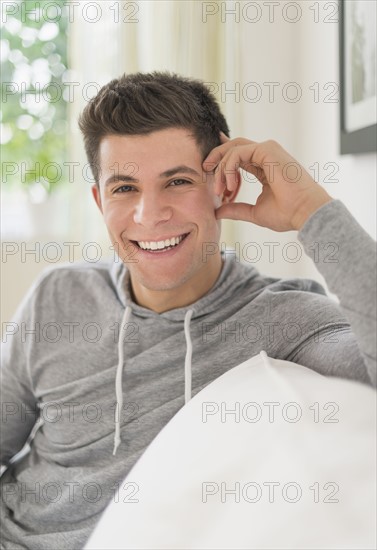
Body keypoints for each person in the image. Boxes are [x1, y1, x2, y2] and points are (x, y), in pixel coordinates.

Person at [1, 71, 375, 550]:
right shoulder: (60, 293)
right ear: (98, 201)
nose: (149, 215)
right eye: (124, 188)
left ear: (223, 186)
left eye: (176, 181)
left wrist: (311, 210)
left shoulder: (284, 319)